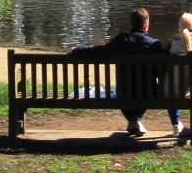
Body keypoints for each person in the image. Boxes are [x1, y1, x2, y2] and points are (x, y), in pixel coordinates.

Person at [70, 7, 165, 136]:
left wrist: (78, 49)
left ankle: (133, 121)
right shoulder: (155, 44)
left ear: (131, 24)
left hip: (124, 92)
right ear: (146, 25)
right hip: (148, 93)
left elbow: (100, 51)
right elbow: (164, 71)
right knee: (145, 87)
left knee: (122, 89)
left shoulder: (122, 40)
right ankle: (135, 120)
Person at [167, 12, 192, 138]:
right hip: (185, 92)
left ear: (180, 29)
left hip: (166, 93)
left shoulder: (171, 46)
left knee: (171, 87)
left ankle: (176, 124)